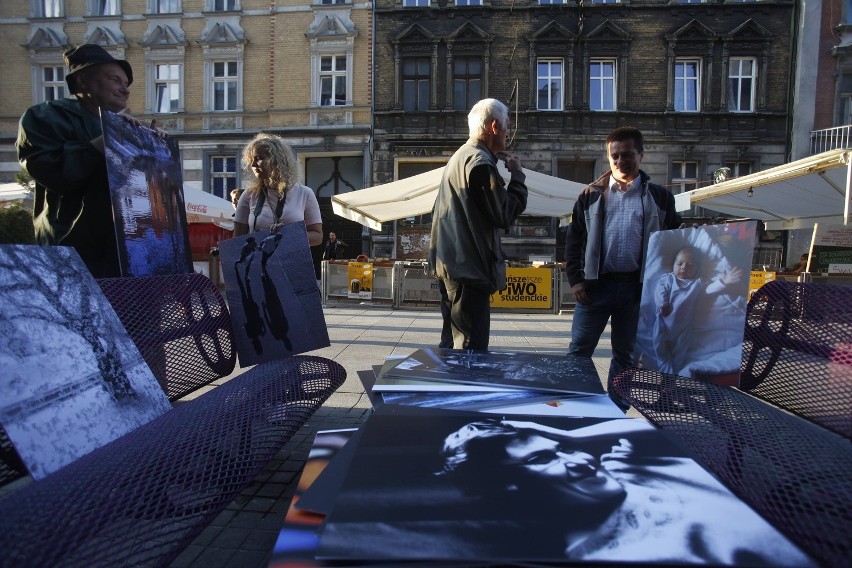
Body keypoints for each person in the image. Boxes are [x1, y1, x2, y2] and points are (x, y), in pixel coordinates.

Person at [437, 418, 814, 565]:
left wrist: (567, 436)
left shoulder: (624, 470)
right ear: (510, 488)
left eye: (563, 448)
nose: (582, 459)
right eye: (541, 459)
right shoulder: (634, 553)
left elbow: (640, 428)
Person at [16, 44, 165, 278]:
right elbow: (51, 171)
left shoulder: (121, 126)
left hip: (124, 257)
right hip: (71, 253)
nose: (124, 90)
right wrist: (104, 142)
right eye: (115, 80)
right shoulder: (45, 117)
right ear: (83, 81)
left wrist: (155, 152)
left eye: (126, 84)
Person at [564, 126, 682, 410]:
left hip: (636, 290)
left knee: (625, 357)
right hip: (595, 287)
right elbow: (573, 239)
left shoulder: (661, 197)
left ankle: (616, 411)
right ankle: (573, 406)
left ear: (641, 155)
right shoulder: (591, 194)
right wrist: (576, 280)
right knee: (579, 352)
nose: (619, 161)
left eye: (626, 155)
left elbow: (675, 242)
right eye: (614, 156)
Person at [428, 98, 528, 350]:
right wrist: (517, 175)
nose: (508, 133)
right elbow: (504, 214)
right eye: (506, 126)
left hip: (453, 266)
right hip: (469, 271)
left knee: (452, 344)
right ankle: (461, 389)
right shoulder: (479, 163)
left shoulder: (461, 156)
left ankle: (449, 388)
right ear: (494, 127)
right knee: (470, 351)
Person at [653, 246, 744, 375]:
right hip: (663, 323)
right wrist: (663, 303)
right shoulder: (668, 279)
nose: (684, 268)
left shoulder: (696, 284)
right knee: (659, 349)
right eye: (679, 264)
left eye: (689, 265)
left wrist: (723, 281)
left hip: (683, 329)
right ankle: (664, 371)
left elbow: (709, 289)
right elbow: (659, 290)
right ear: (672, 265)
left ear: (696, 269)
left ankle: (673, 375)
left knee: (680, 353)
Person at [233, 133, 322, 246]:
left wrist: (288, 235)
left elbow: (318, 237)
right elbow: (236, 241)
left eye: (259, 158)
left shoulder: (305, 193)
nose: (253, 164)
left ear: (276, 160)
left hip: (291, 261)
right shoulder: (249, 194)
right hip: (259, 261)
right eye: (251, 159)